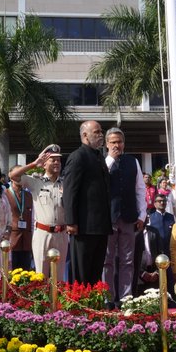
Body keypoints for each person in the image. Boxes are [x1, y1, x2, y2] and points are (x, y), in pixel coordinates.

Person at [63, 120, 111, 286]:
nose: (100, 135)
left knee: (96, 271)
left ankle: (94, 306)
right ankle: (81, 306)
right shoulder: (78, 157)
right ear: (85, 135)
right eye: (96, 132)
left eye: (100, 131)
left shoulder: (99, 156)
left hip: (100, 225)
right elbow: (70, 190)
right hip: (83, 226)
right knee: (82, 272)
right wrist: (71, 221)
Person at [101, 127, 146, 305]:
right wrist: (111, 158)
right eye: (113, 142)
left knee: (128, 260)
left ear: (124, 143)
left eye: (119, 142)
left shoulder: (133, 161)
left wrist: (142, 214)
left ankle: (126, 298)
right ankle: (108, 298)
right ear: (106, 144)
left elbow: (140, 190)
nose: (116, 145)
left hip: (129, 217)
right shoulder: (104, 162)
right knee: (107, 260)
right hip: (109, 218)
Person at [9, 145, 67, 278]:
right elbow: (13, 175)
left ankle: (56, 299)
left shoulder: (66, 183)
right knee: (41, 274)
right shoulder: (35, 182)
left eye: (58, 160)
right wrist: (34, 164)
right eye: (52, 160)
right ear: (44, 164)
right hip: (42, 233)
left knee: (59, 276)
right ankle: (43, 299)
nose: (57, 162)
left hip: (61, 233)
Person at [6, 169, 33, 272]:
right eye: (18, 174)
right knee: (11, 271)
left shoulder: (28, 195)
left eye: (23, 175)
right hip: (11, 238)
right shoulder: (5, 194)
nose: (20, 178)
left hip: (26, 239)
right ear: (11, 176)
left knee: (26, 271)